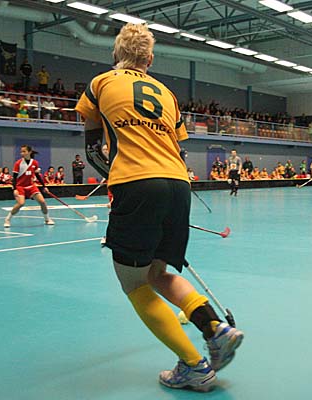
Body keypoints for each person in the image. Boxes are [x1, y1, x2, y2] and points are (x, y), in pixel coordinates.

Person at [75, 23, 243, 392]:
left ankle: (194, 366)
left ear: (116, 55)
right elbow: (177, 149)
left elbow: (92, 150)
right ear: (149, 60)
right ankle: (214, 328)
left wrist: (118, 180)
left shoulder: (100, 84)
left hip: (137, 183)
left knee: (134, 283)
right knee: (157, 272)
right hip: (178, 184)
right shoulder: (167, 94)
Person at [4, 145, 54, 228]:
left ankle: (47, 219)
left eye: (24, 151)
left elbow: (38, 176)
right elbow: (14, 178)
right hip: (20, 186)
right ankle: (7, 219)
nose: (22, 153)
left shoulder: (35, 163)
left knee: (42, 202)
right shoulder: (18, 163)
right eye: (21, 152)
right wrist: (15, 189)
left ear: (29, 152)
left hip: (31, 186)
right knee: (21, 203)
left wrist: (44, 186)